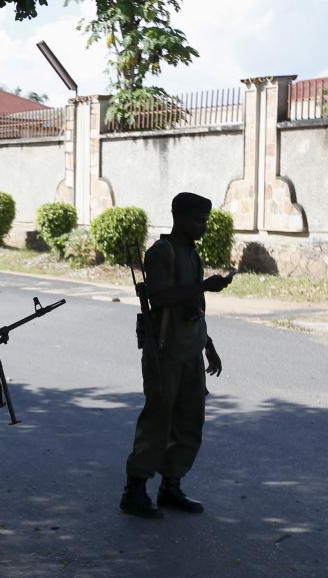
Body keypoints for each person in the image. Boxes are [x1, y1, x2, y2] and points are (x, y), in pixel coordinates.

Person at [120, 192, 234, 519]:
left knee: (190, 421)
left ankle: (171, 486)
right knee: (158, 420)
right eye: (199, 221)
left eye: (205, 221)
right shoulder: (162, 252)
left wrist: (208, 344)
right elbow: (159, 298)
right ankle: (135, 490)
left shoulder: (192, 254)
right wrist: (204, 287)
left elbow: (193, 307)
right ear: (179, 217)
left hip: (190, 350)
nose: (204, 227)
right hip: (164, 351)